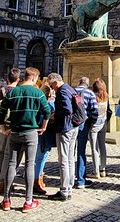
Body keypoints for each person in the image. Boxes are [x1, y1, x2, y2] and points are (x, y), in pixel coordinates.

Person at [0, 67, 51, 212]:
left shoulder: (12, 92)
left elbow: (1, 111)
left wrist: (2, 128)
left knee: (12, 164)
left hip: (14, 132)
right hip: (31, 132)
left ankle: (6, 200)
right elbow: (47, 111)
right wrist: (43, 127)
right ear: (33, 78)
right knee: (29, 164)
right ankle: (28, 201)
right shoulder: (38, 93)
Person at [48, 72, 78, 201]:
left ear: (55, 82)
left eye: (51, 85)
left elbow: (67, 110)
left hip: (65, 128)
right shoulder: (70, 88)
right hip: (73, 127)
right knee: (70, 158)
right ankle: (69, 186)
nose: (52, 88)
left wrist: (55, 115)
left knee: (63, 160)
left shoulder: (62, 91)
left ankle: (64, 190)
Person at [0, 68, 21, 194]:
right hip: (12, 126)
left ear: (7, 79)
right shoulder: (18, 92)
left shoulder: (0, 91)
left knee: (1, 152)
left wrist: (1, 127)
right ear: (18, 80)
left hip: (1, 126)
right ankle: (3, 182)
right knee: (8, 155)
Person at [74, 76, 99, 189]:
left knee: (69, 152)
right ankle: (80, 180)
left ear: (79, 82)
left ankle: (68, 179)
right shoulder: (90, 93)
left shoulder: (71, 91)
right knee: (81, 151)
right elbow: (94, 110)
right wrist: (91, 123)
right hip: (84, 125)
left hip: (71, 125)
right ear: (87, 84)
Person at [33, 82, 55, 195]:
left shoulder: (37, 104)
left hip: (37, 133)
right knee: (41, 157)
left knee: (39, 157)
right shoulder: (47, 105)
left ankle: (38, 178)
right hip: (43, 133)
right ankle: (37, 180)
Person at [90, 78, 110, 179]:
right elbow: (109, 110)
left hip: (94, 124)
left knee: (94, 148)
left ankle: (96, 171)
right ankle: (103, 169)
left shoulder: (93, 96)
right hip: (103, 122)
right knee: (102, 146)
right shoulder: (106, 95)